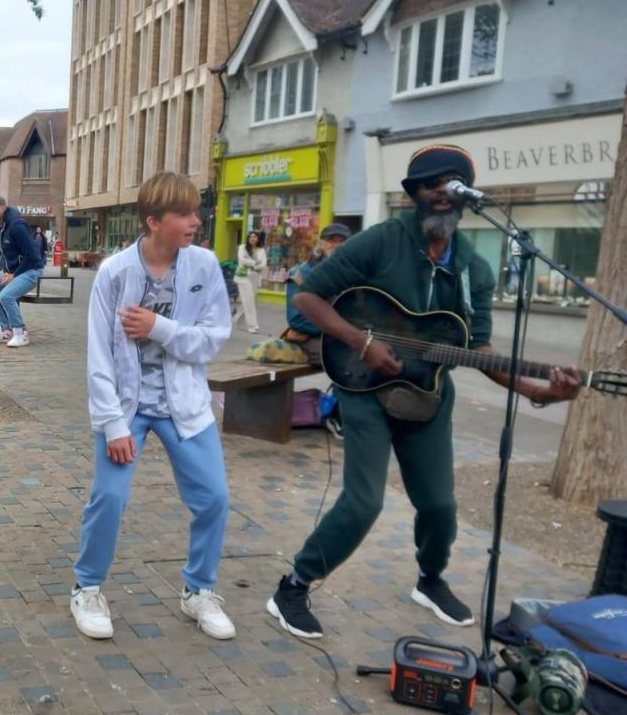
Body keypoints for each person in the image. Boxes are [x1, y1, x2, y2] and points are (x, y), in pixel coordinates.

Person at [267, 145, 582, 639]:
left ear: (465, 197)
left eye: (452, 183)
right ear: (415, 193)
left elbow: (478, 348)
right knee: (364, 502)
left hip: (428, 396)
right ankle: (293, 585)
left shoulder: (473, 269)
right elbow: (307, 298)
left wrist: (540, 391)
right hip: (364, 388)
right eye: (432, 184)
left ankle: (430, 580)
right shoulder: (382, 241)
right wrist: (362, 342)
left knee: (440, 507)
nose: (441, 192)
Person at [70, 171, 235, 642]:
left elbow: (215, 338)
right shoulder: (115, 273)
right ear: (154, 221)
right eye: (183, 214)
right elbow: (99, 353)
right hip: (127, 406)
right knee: (109, 497)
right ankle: (87, 588)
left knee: (214, 498)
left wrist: (159, 328)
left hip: (186, 404)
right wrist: (112, 423)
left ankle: (198, 590)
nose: (195, 221)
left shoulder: (204, 266)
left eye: (195, 212)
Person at [0, 193, 45, 348]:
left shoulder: (17, 226)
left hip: (31, 270)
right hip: (10, 272)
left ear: (3, 207)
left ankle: (20, 333)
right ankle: (5, 330)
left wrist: (14, 275)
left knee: (6, 296)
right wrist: (8, 273)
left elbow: (32, 256)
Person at [283, 222, 351, 365]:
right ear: (321, 243)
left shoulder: (352, 273)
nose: (337, 245)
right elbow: (297, 320)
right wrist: (341, 330)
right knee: (351, 359)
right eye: (331, 240)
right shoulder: (300, 274)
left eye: (342, 241)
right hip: (312, 338)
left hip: (344, 337)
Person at [233, 230, 267, 333]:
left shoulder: (261, 250)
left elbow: (263, 264)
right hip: (243, 276)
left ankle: (235, 321)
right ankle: (252, 326)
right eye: (251, 236)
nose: (252, 238)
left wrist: (253, 265)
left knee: (248, 301)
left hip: (255, 277)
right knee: (249, 302)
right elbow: (242, 260)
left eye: (255, 237)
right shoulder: (242, 247)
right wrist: (255, 263)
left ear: (258, 239)